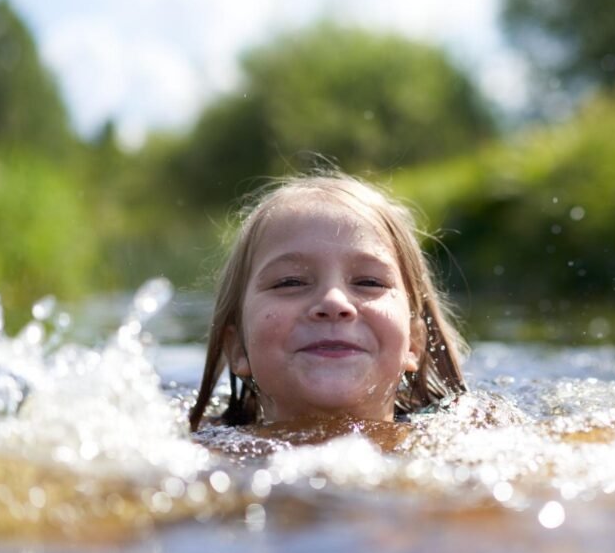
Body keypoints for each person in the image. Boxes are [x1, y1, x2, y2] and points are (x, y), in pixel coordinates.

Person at [188, 171, 467, 432]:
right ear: (238, 348)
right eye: (290, 282)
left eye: (369, 283)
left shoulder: (464, 450)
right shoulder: (201, 459)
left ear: (414, 343)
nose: (334, 302)